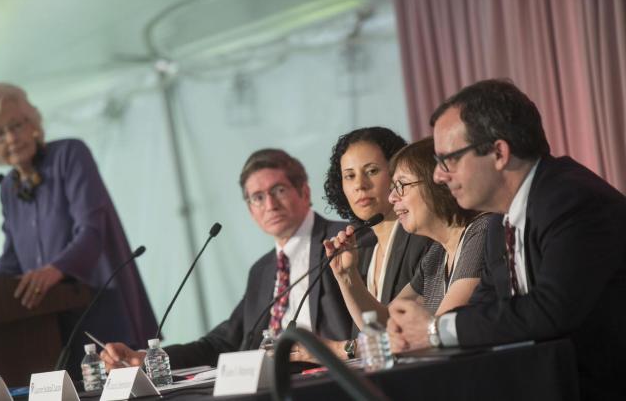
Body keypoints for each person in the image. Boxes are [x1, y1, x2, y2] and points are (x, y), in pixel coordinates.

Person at [386, 79, 626, 399]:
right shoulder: (500, 222)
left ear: (499, 152)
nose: (438, 176)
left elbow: (550, 310)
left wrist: (433, 330)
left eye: (448, 159)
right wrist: (414, 331)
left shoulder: (572, 201)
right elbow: (486, 308)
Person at [0, 83, 159, 375]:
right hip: (50, 327)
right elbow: (12, 262)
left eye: (16, 125)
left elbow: (92, 231)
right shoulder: (7, 188)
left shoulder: (70, 154)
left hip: (102, 308)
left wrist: (53, 269)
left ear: (32, 123)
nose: (12, 138)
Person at [100, 148, 355, 369]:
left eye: (278, 190)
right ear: (250, 210)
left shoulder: (346, 240)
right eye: (257, 197)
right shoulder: (263, 270)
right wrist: (145, 357)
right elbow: (222, 342)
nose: (270, 204)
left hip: (330, 376)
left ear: (304, 192)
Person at [322, 135, 488, 353]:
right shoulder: (436, 254)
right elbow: (384, 325)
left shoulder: (480, 231)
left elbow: (435, 332)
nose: (392, 198)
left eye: (401, 186)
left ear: (436, 182)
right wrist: (347, 276)